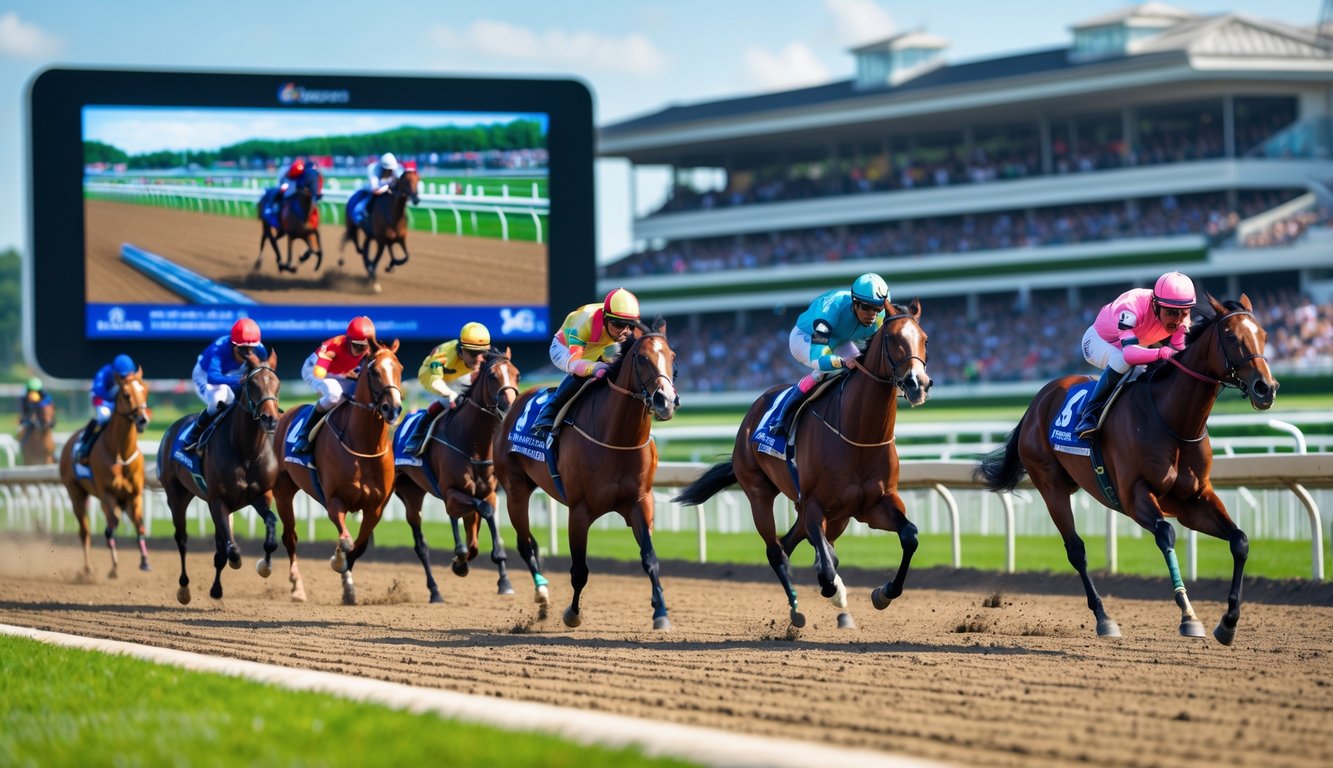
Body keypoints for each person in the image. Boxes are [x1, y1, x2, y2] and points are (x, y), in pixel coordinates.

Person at [1074, 271, 1196, 438]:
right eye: (1171, 313)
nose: (1178, 320)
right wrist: (1161, 352)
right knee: (1121, 360)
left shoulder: (1181, 316)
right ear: (1155, 304)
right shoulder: (1131, 306)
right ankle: (1089, 414)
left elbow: (1178, 353)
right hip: (1099, 342)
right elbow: (1129, 355)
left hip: (1137, 343)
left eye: (1183, 312)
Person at [770, 273, 890, 437]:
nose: (872, 314)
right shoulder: (833, 307)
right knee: (825, 372)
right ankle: (782, 417)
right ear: (854, 303)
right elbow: (818, 356)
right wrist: (841, 362)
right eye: (866, 307)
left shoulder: (879, 318)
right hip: (807, 338)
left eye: (878, 308)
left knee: (864, 371)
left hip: (840, 340)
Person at [530, 288, 641, 439]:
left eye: (631, 326)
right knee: (582, 375)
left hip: (601, 345)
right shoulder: (583, 322)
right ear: (605, 318)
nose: (625, 332)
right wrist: (595, 367)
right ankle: (547, 414)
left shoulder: (621, 328)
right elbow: (575, 365)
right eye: (619, 325)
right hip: (565, 347)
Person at [402, 322, 491, 455]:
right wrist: (449, 394)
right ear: (462, 349)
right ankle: (417, 434)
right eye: (473, 353)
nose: (479, 358)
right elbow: (436, 381)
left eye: (483, 352)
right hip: (433, 376)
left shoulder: (479, 356)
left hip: (460, 374)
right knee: (448, 399)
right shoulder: (444, 355)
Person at [291, 316, 377, 453]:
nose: (359, 350)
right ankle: (305, 434)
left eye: (363, 346)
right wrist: (345, 374)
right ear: (348, 340)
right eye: (356, 345)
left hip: (342, 374)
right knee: (333, 394)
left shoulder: (372, 350)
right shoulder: (334, 345)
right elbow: (320, 372)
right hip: (316, 370)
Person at [181, 318, 268, 452]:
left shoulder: (260, 350)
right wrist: (238, 380)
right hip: (205, 376)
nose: (248, 353)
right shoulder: (220, 348)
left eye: (252, 348)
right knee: (218, 401)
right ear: (234, 345)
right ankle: (195, 433)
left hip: (235, 377)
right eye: (243, 349)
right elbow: (213, 377)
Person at [71, 354, 137, 463]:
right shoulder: (103, 374)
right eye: (123, 377)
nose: (127, 379)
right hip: (101, 399)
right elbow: (98, 394)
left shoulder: (128, 375)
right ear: (115, 373)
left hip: (116, 400)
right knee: (104, 416)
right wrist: (111, 406)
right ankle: (84, 444)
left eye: (129, 375)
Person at [348, 152, 402, 227]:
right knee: (362, 205)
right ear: (383, 168)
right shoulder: (373, 169)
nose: (390, 171)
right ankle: (360, 217)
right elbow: (376, 191)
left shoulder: (396, 168)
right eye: (388, 170)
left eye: (391, 170)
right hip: (373, 191)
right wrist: (388, 187)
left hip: (388, 192)